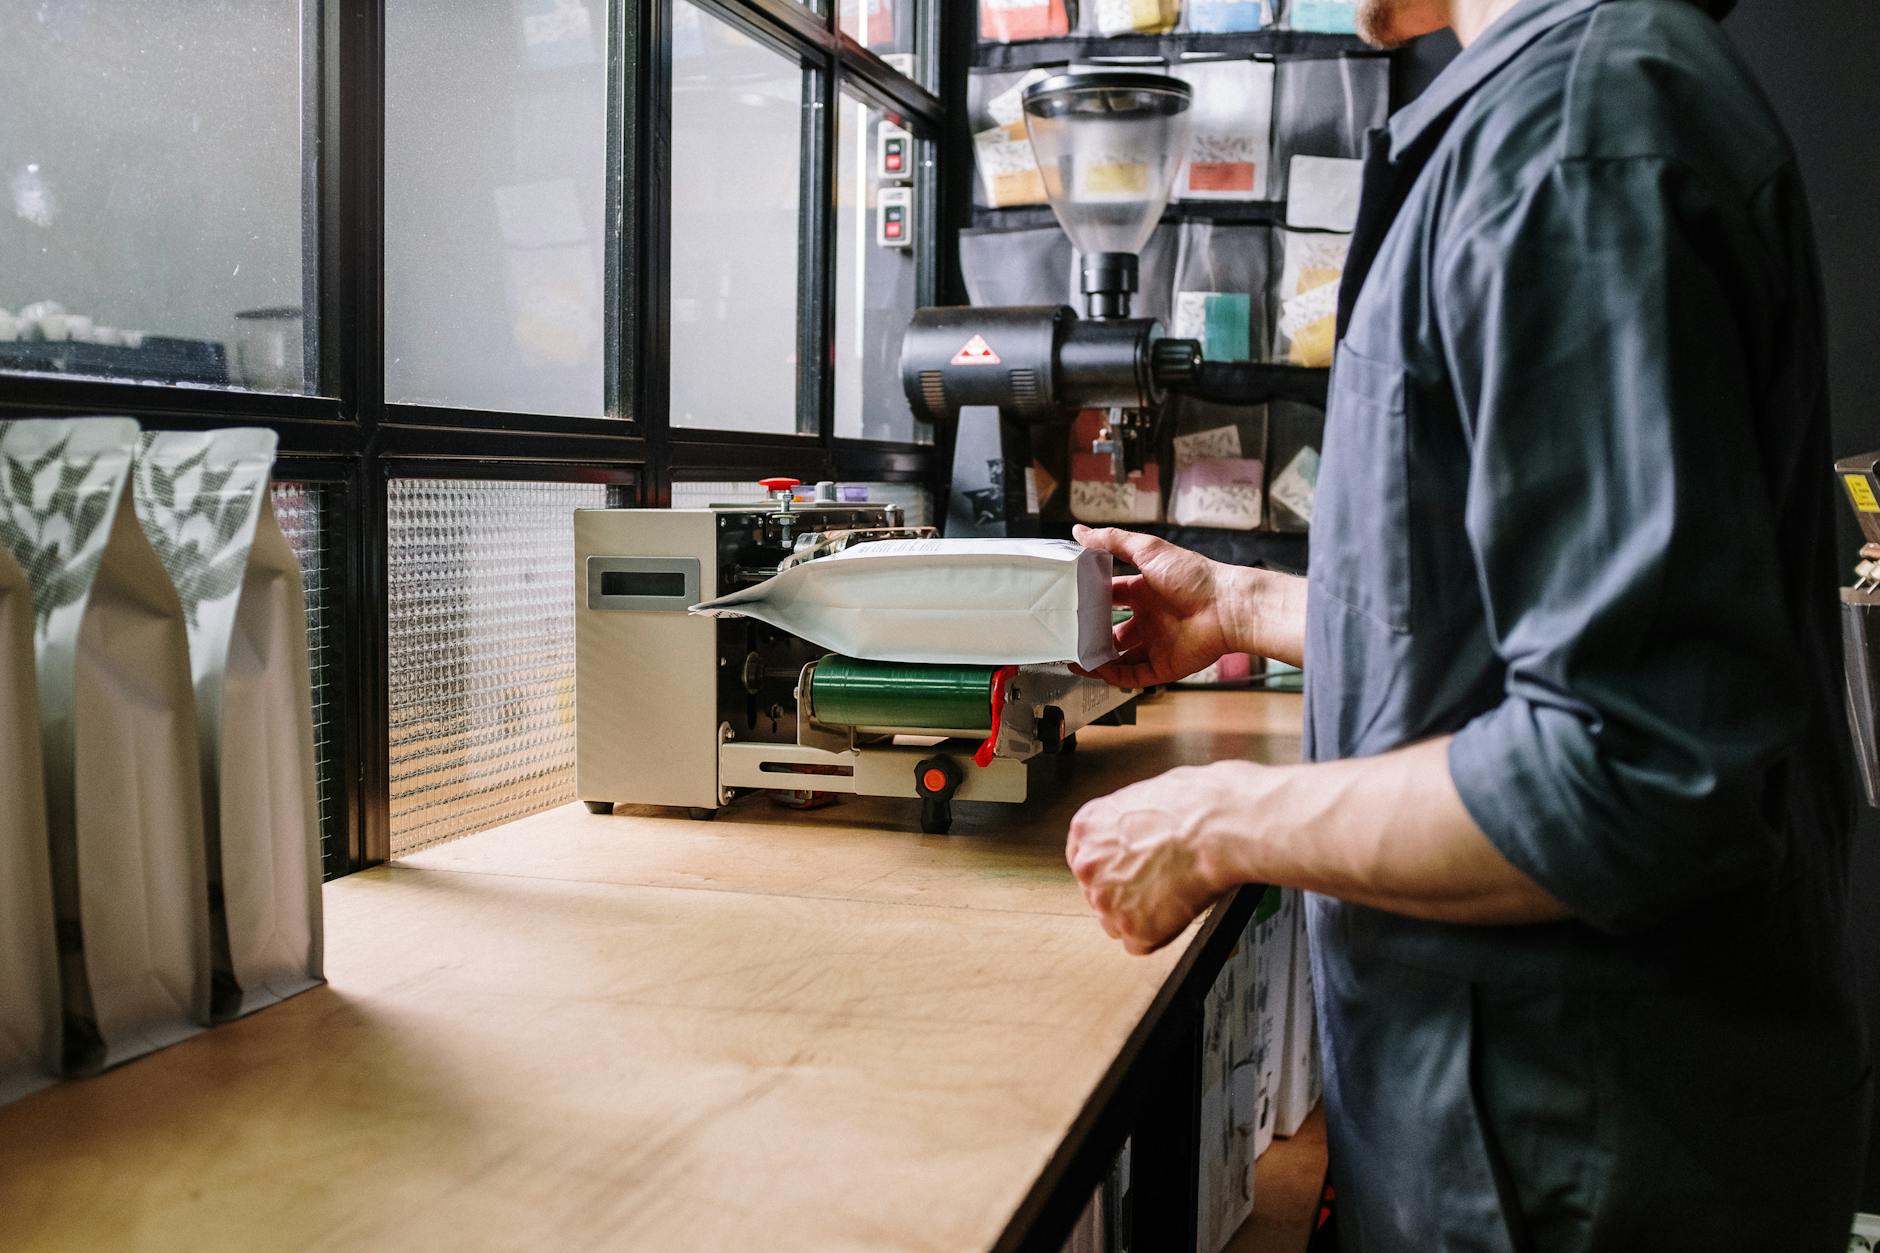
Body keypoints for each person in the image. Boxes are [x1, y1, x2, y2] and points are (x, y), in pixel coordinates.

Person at [1064, 0, 1872, 1247]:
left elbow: (1623, 769)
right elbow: (1502, 622)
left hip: (1582, 1161)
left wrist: (1214, 819)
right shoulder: (1563, 107)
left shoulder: (1580, 133)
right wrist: (1237, 603)